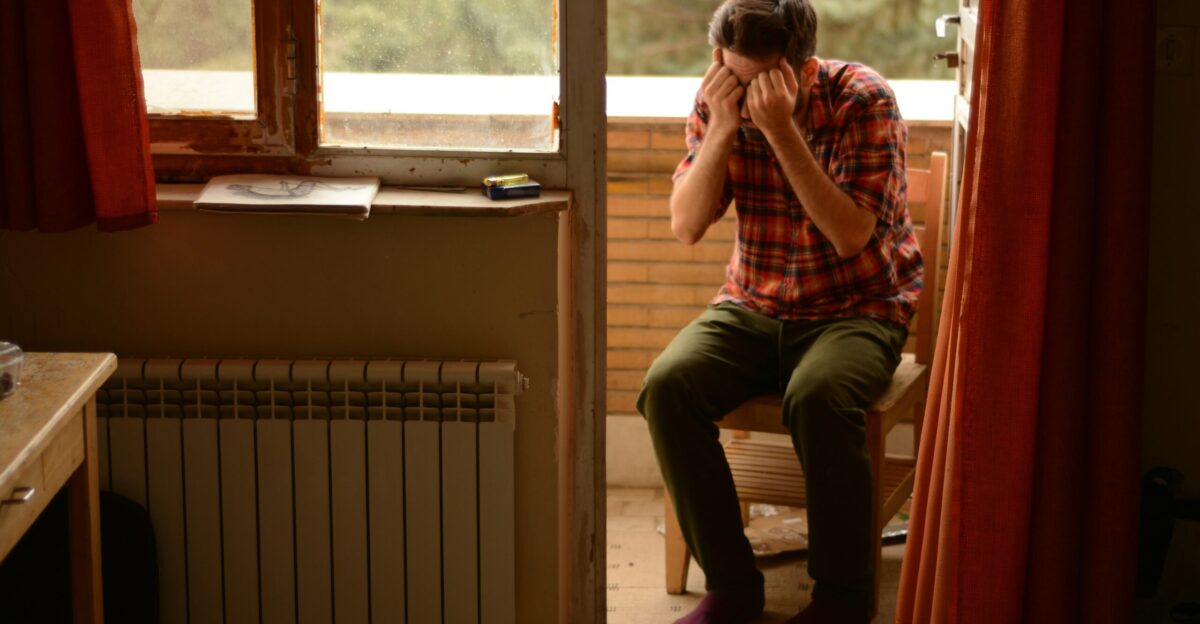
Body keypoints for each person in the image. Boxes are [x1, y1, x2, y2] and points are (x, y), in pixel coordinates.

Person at [636, 0, 922, 622]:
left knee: (817, 396)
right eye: (731, 75)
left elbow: (850, 235)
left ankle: (842, 599)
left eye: (759, 81)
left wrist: (780, 131)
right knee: (666, 387)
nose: (743, 92)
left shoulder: (863, 100)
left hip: (860, 307)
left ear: (804, 70)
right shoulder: (719, 101)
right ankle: (733, 589)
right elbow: (686, 226)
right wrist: (720, 126)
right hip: (752, 303)